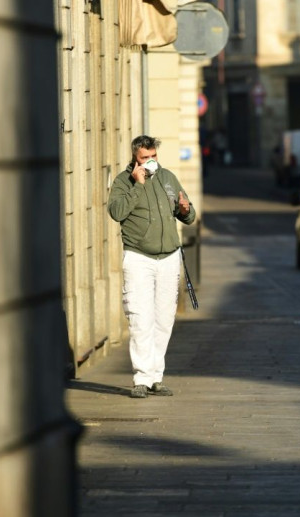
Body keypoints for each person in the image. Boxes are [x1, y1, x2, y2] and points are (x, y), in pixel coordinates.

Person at [107, 135, 196, 399]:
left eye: (154, 157)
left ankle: (156, 376)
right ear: (135, 158)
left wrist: (185, 208)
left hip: (168, 257)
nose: (151, 162)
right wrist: (137, 184)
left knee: (164, 319)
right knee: (139, 317)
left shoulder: (168, 178)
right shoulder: (124, 182)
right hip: (139, 257)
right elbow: (117, 212)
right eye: (145, 158)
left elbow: (189, 215)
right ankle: (141, 378)